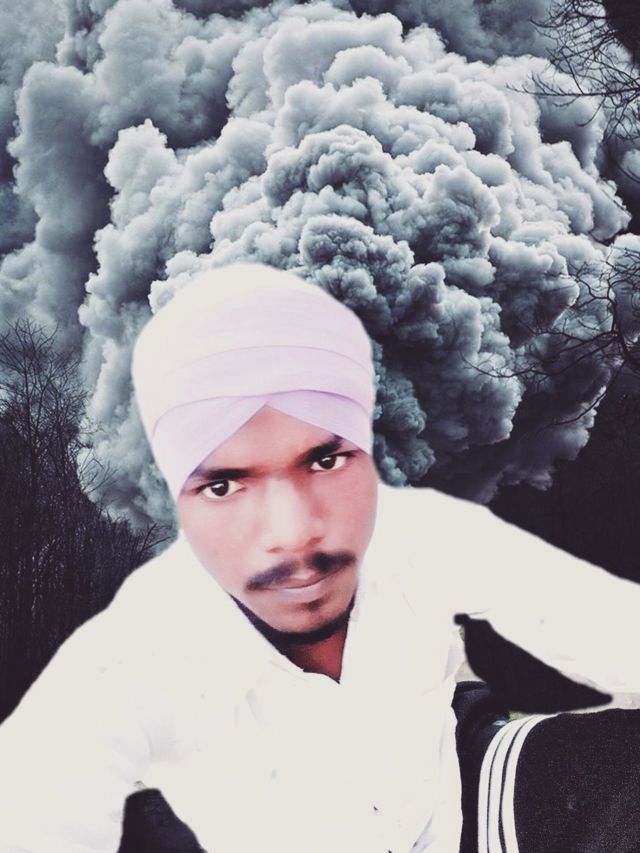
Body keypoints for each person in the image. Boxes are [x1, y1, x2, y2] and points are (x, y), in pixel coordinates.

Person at [0, 262, 639, 853]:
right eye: (226, 485)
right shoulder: (125, 671)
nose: (292, 529)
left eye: (324, 461)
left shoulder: (428, 540)